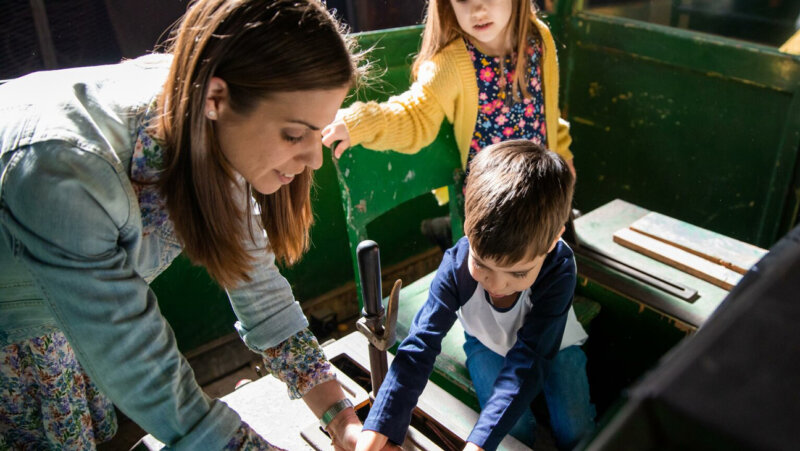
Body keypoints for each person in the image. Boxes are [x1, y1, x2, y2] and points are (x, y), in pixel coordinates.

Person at [0, 1, 369, 449]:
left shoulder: (209, 119)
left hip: (64, 324)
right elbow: (137, 363)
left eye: (321, 132)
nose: (314, 158)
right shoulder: (67, 169)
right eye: (294, 135)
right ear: (215, 98)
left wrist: (341, 416)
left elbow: (260, 292)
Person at [355, 141, 595, 451]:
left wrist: (478, 443)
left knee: (574, 427)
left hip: (551, 345)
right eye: (481, 264)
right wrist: (376, 428)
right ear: (468, 224)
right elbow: (418, 348)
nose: (498, 285)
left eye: (518, 274)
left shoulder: (559, 268)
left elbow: (530, 360)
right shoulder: (456, 265)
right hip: (486, 342)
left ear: (553, 242)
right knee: (513, 433)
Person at [322, 0, 576, 187]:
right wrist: (361, 122)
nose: (477, 10)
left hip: (546, 187)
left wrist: (564, 159)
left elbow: (548, 115)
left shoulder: (539, 39)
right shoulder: (451, 63)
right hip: (493, 202)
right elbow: (414, 114)